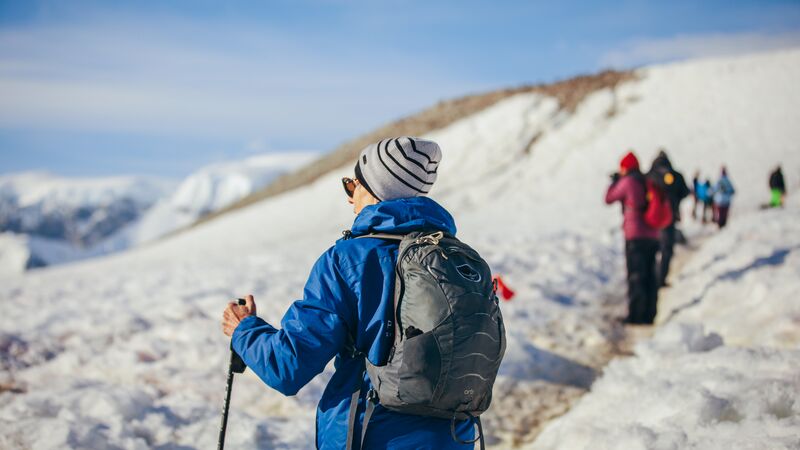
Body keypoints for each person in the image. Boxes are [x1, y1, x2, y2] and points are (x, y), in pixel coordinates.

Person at [221, 137, 476, 449]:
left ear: (375, 190)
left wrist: (244, 329)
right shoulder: (459, 258)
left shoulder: (349, 259)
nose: (349, 197)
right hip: (454, 438)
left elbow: (288, 367)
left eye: (351, 185)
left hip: (374, 434)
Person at [605, 151, 660, 325]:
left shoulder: (628, 182)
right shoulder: (646, 180)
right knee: (650, 275)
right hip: (653, 233)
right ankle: (650, 314)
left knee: (636, 275)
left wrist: (615, 182)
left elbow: (609, 198)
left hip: (635, 234)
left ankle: (636, 316)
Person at [648, 150, 690, 288]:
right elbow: (685, 191)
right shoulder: (676, 175)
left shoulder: (648, 176)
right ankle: (661, 278)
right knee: (666, 249)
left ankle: (651, 278)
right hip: (669, 217)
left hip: (650, 220)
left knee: (651, 250)